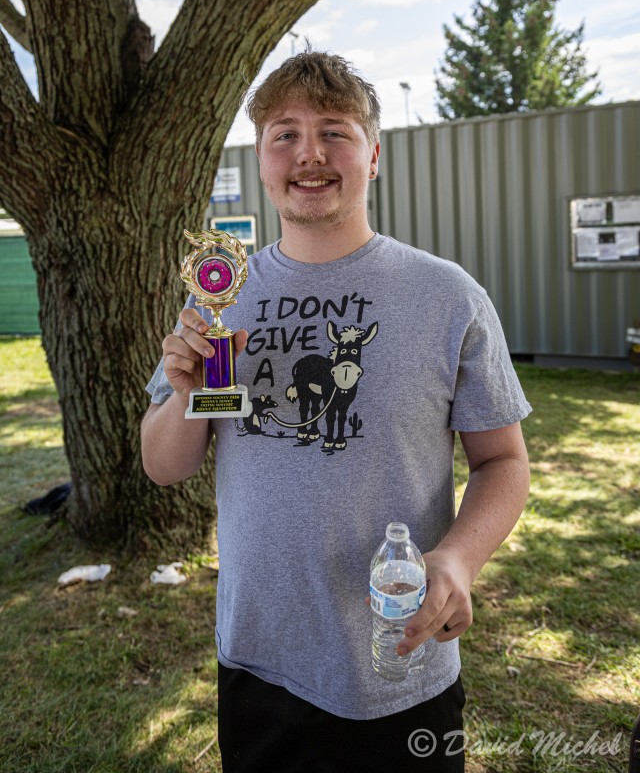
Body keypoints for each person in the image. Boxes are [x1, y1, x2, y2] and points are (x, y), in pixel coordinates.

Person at [142, 50, 531, 772]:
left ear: (373, 156)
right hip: (259, 661)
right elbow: (165, 466)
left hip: (401, 658)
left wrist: (458, 558)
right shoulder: (222, 298)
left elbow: (503, 461)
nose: (310, 153)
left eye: (335, 132)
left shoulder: (448, 296)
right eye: (285, 134)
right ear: (262, 160)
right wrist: (188, 393)